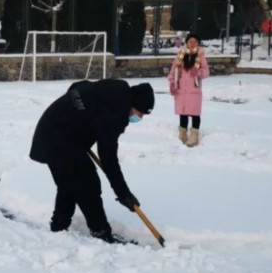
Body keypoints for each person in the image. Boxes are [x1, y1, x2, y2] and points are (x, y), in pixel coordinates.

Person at [29, 79, 155, 244]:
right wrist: (123, 193)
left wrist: (81, 120)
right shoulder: (115, 112)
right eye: (141, 113)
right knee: (88, 184)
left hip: (54, 134)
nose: (140, 117)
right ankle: (100, 231)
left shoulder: (110, 94)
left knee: (69, 182)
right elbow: (108, 157)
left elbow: (76, 87)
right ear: (133, 104)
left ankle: (59, 227)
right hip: (58, 140)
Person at [167, 32, 209, 147]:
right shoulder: (180, 55)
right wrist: (172, 83)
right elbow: (173, 70)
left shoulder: (200, 56)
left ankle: (194, 135)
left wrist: (199, 72)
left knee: (195, 114)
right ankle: (183, 133)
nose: (192, 44)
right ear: (186, 43)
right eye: (190, 41)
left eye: (195, 42)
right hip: (181, 89)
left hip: (193, 90)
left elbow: (206, 72)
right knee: (183, 113)